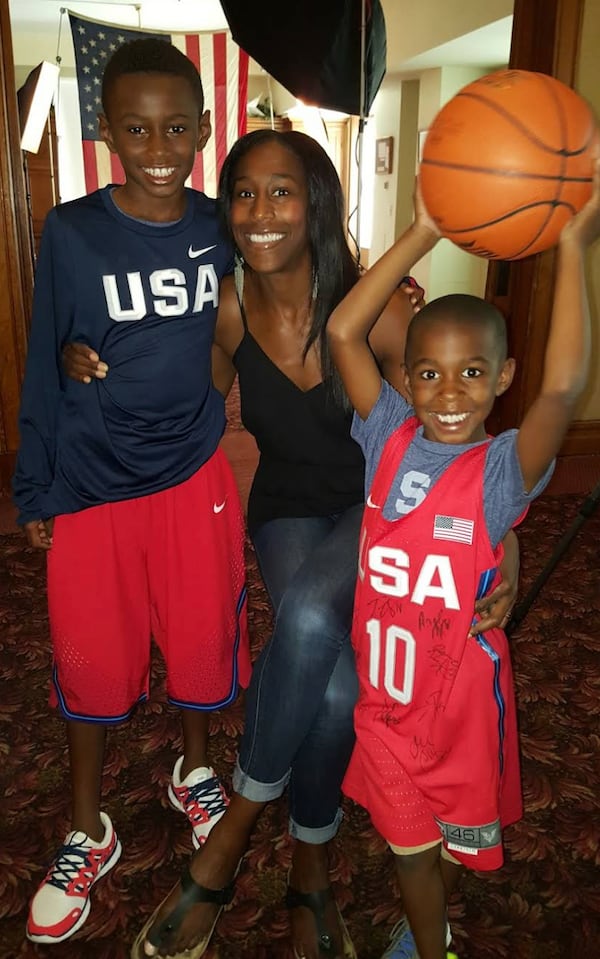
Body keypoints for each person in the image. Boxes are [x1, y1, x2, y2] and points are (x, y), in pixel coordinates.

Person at [64, 130, 519, 959]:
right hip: (284, 512)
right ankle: (310, 862)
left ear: (314, 203)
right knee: (339, 692)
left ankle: (232, 834)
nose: (260, 212)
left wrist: (503, 542)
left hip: (383, 515)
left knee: (308, 612)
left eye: (281, 192)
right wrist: (80, 357)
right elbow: (168, 391)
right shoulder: (230, 307)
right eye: (243, 193)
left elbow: (460, 434)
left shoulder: (379, 309)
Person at [325, 165, 600, 959]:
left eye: (473, 373)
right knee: (410, 851)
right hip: (384, 708)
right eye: (430, 373)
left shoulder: (504, 471)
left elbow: (564, 389)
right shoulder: (387, 435)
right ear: (405, 379)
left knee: (445, 848)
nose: (450, 392)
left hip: (459, 714)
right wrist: (424, 229)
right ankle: (429, 941)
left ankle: (428, 928)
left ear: (502, 378)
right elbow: (345, 332)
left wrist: (574, 245)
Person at [12, 39, 252, 946]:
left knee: (199, 642)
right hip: (91, 481)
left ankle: (192, 772)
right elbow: (49, 359)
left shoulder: (219, 223)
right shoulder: (70, 233)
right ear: (106, 130)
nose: (159, 145)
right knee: (90, 657)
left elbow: (281, 290)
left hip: (193, 475)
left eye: (177, 126)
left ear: (201, 127)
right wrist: (35, 485)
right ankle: (87, 826)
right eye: (136, 127)